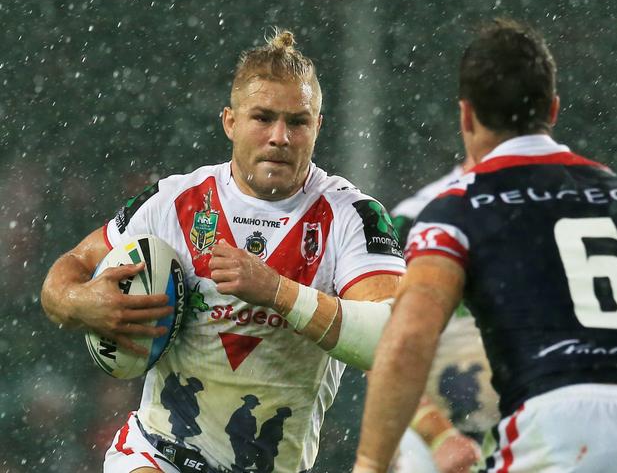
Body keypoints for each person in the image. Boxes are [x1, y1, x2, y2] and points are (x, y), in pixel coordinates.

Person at [41, 28, 405, 473]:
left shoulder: (354, 216)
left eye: (297, 122)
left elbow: (391, 341)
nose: (280, 137)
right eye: (263, 117)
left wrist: (276, 292)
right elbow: (72, 268)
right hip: (156, 453)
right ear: (230, 121)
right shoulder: (173, 201)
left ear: (318, 127)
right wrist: (81, 300)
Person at [353, 18, 617, 473]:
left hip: (550, 425)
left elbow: (405, 339)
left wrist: (370, 463)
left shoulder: (452, 210)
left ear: (466, 115)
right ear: (552, 109)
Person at [390, 158, 497, 473]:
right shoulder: (414, 219)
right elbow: (381, 350)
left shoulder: (559, 213)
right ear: (468, 114)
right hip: (431, 445)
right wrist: (438, 436)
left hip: (535, 433)